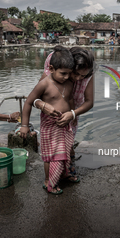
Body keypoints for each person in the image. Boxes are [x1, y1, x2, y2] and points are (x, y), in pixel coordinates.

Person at [33, 47, 95, 182]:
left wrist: (72, 114)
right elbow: (35, 98)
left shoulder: (87, 73)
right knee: (52, 150)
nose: (78, 79)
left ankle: (65, 171)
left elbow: (89, 102)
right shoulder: (58, 66)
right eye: (76, 74)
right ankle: (49, 179)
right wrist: (43, 105)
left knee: (68, 144)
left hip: (72, 113)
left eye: (82, 76)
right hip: (51, 118)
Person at [20, 46, 76, 195]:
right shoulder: (44, 83)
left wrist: (73, 115)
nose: (66, 77)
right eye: (63, 73)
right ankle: (48, 181)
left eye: (69, 73)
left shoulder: (70, 83)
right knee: (51, 155)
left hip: (65, 124)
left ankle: (63, 174)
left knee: (65, 152)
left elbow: (70, 99)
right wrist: (24, 125)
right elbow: (28, 102)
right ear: (51, 68)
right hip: (49, 125)